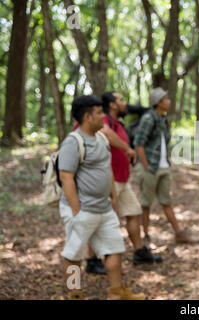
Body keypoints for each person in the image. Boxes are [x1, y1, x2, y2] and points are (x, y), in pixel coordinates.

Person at [58, 95, 145, 300]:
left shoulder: (101, 139)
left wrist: (113, 199)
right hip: (82, 209)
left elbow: (107, 170)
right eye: (99, 113)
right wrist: (76, 210)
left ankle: (116, 292)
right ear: (88, 117)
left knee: (114, 248)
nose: (103, 116)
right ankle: (75, 293)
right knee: (73, 255)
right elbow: (66, 177)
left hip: (103, 208)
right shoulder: (73, 142)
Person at [100, 91, 162, 265]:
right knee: (103, 219)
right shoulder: (103, 119)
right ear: (112, 104)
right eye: (121, 100)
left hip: (122, 179)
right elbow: (105, 133)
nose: (125, 103)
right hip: (108, 179)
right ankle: (95, 259)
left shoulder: (118, 123)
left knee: (134, 212)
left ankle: (139, 251)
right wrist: (127, 149)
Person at [134, 87, 193, 244]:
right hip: (150, 167)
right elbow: (139, 143)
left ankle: (178, 232)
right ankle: (145, 235)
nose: (169, 101)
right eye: (166, 99)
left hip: (163, 166)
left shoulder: (163, 119)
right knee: (146, 203)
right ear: (158, 102)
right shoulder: (148, 119)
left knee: (166, 201)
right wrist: (146, 165)